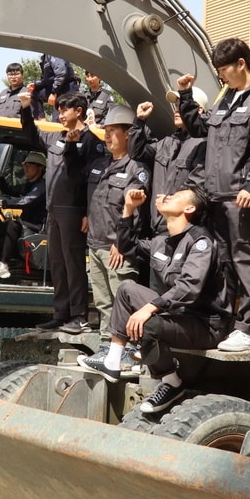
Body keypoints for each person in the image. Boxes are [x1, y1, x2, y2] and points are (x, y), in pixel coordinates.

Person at [77, 186, 233, 416]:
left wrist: (150, 308)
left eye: (177, 196)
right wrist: (128, 209)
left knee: (146, 323)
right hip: (179, 316)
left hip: (205, 323)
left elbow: (189, 288)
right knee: (127, 290)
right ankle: (112, 361)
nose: (168, 196)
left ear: (189, 208)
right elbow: (127, 247)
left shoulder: (201, 241)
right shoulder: (162, 242)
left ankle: (171, 382)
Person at [177, 37, 250, 352]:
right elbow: (199, 128)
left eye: (224, 70)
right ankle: (224, 323)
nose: (221, 76)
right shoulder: (226, 99)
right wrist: (184, 95)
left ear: (241, 64)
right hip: (217, 196)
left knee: (244, 257)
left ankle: (248, 329)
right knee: (223, 261)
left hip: (242, 196)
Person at [21, 89, 99, 332]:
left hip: (74, 210)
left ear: (79, 111)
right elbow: (31, 134)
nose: (60, 114)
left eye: (64, 109)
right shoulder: (57, 137)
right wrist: (25, 108)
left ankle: (80, 315)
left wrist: (88, 212)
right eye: (59, 109)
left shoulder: (91, 142)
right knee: (57, 263)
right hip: (53, 210)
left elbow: (90, 180)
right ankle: (61, 313)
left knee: (73, 263)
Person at [83, 105, 151, 333]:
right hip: (95, 245)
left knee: (123, 303)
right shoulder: (102, 164)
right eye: (106, 130)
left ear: (128, 134)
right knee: (103, 304)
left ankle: (126, 351)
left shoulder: (136, 168)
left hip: (116, 248)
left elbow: (137, 212)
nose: (107, 135)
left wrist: (122, 243)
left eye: (113, 131)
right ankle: (106, 346)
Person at [127, 97, 207, 237]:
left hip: (183, 230)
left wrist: (168, 200)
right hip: (156, 228)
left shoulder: (203, 144)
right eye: (175, 106)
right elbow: (136, 152)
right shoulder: (167, 142)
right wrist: (139, 121)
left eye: (181, 105)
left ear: (199, 110)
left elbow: (196, 186)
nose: (176, 110)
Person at [0, 151, 48, 276]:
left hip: (37, 226)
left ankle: (4, 265)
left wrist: (1, 203)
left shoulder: (42, 186)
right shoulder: (28, 185)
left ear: (40, 168)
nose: (25, 168)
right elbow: (7, 189)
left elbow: (26, 201)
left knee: (12, 225)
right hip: (25, 223)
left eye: (29, 165)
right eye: (24, 165)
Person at [33, 54, 80, 120]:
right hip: (56, 90)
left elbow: (61, 74)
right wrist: (36, 84)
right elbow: (46, 80)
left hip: (66, 90)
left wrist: (53, 93)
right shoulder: (44, 57)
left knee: (58, 121)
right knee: (34, 92)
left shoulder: (53, 53)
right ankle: (41, 120)